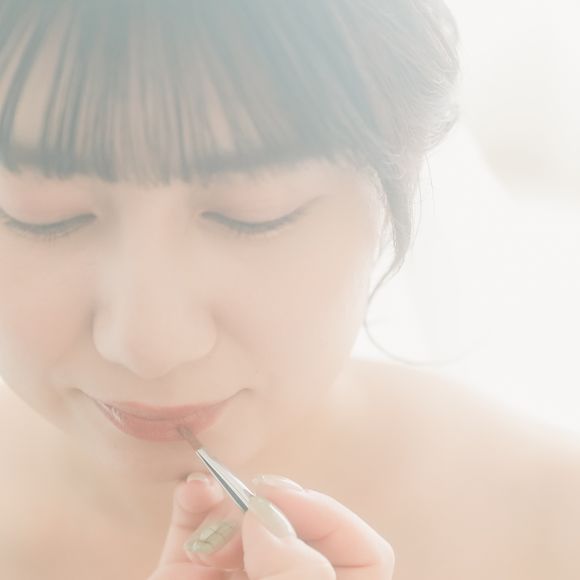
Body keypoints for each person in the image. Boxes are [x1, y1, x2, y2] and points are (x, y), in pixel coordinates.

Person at [0, 1, 578, 579]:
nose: (149, 348)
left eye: (254, 215)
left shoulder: (554, 528)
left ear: (394, 182)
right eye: (42, 216)